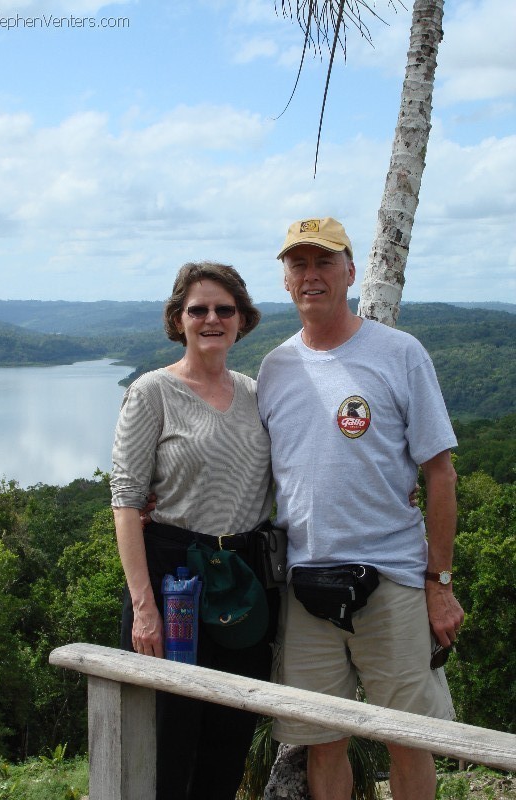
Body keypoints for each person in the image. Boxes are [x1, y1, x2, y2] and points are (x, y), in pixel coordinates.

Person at [257, 217, 464, 800]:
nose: (311, 275)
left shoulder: (399, 353)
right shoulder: (274, 369)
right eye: (299, 264)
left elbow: (440, 474)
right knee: (323, 740)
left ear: (351, 271)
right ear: (286, 280)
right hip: (304, 583)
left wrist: (439, 582)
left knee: (409, 739)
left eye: (324, 262)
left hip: (394, 580)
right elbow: (252, 469)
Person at [110, 261, 279, 800]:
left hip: (246, 579)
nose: (212, 319)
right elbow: (126, 501)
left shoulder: (257, 394)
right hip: (174, 579)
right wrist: (144, 608)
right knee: (167, 742)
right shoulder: (152, 392)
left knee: (229, 738)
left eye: (224, 309)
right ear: (178, 319)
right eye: (198, 309)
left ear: (242, 319)